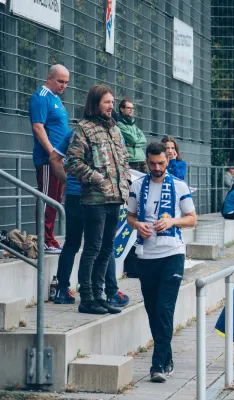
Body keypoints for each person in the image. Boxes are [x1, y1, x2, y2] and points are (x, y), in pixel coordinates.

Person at [127, 142, 197, 383]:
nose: (156, 168)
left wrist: (172, 222)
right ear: (147, 162)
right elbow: (131, 216)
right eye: (152, 164)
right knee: (152, 310)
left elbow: (192, 219)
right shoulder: (137, 185)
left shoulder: (179, 185)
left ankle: (157, 365)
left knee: (164, 310)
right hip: (146, 255)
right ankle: (166, 358)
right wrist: (138, 226)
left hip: (172, 254)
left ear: (168, 160)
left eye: (161, 163)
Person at [65, 85, 131, 315]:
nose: (112, 106)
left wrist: (127, 183)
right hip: (94, 199)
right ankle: (87, 298)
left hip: (115, 198)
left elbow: (123, 160)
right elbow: (71, 162)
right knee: (92, 249)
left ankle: (99, 295)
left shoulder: (114, 129)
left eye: (113, 102)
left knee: (106, 249)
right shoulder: (83, 129)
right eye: (107, 102)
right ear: (95, 103)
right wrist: (96, 178)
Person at [49, 131, 130, 307]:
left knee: (71, 243)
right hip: (98, 197)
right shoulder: (112, 133)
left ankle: (62, 290)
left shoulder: (73, 132)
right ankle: (111, 292)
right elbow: (121, 165)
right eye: (107, 102)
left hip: (73, 195)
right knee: (103, 244)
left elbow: (54, 158)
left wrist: (67, 181)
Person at [29, 64, 70, 254]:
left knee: (54, 199)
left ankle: (50, 239)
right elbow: (38, 127)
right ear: (49, 78)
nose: (63, 85)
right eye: (60, 81)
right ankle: (44, 240)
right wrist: (52, 153)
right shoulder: (42, 97)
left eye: (66, 82)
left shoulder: (56, 99)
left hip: (59, 160)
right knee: (47, 198)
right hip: (48, 160)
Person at [115, 98, 147, 173]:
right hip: (131, 160)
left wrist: (134, 144)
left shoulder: (133, 125)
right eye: (128, 108)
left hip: (141, 158)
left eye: (132, 108)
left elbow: (144, 140)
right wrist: (136, 142)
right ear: (122, 109)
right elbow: (133, 140)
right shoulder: (120, 125)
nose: (131, 110)